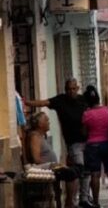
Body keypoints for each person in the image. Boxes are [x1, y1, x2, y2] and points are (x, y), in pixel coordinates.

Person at [26, 79, 93, 208]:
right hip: (73, 143)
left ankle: (84, 198)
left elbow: (93, 111)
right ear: (65, 89)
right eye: (68, 89)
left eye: (73, 89)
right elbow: (44, 102)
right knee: (77, 170)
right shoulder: (60, 100)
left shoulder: (83, 100)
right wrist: (27, 102)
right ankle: (71, 202)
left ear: (77, 88)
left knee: (86, 171)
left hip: (87, 140)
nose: (71, 91)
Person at [28, 112, 79, 208]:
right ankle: (69, 204)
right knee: (70, 173)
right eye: (46, 120)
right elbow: (36, 159)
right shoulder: (35, 136)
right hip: (45, 168)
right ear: (40, 124)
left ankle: (70, 201)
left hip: (51, 166)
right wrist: (54, 165)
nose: (49, 122)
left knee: (76, 170)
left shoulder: (42, 136)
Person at [81, 86, 108, 208]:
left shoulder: (86, 114)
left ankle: (96, 202)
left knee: (95, 175)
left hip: (93, 147)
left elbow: (83, 133)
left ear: (87, 101)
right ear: (98, 98)